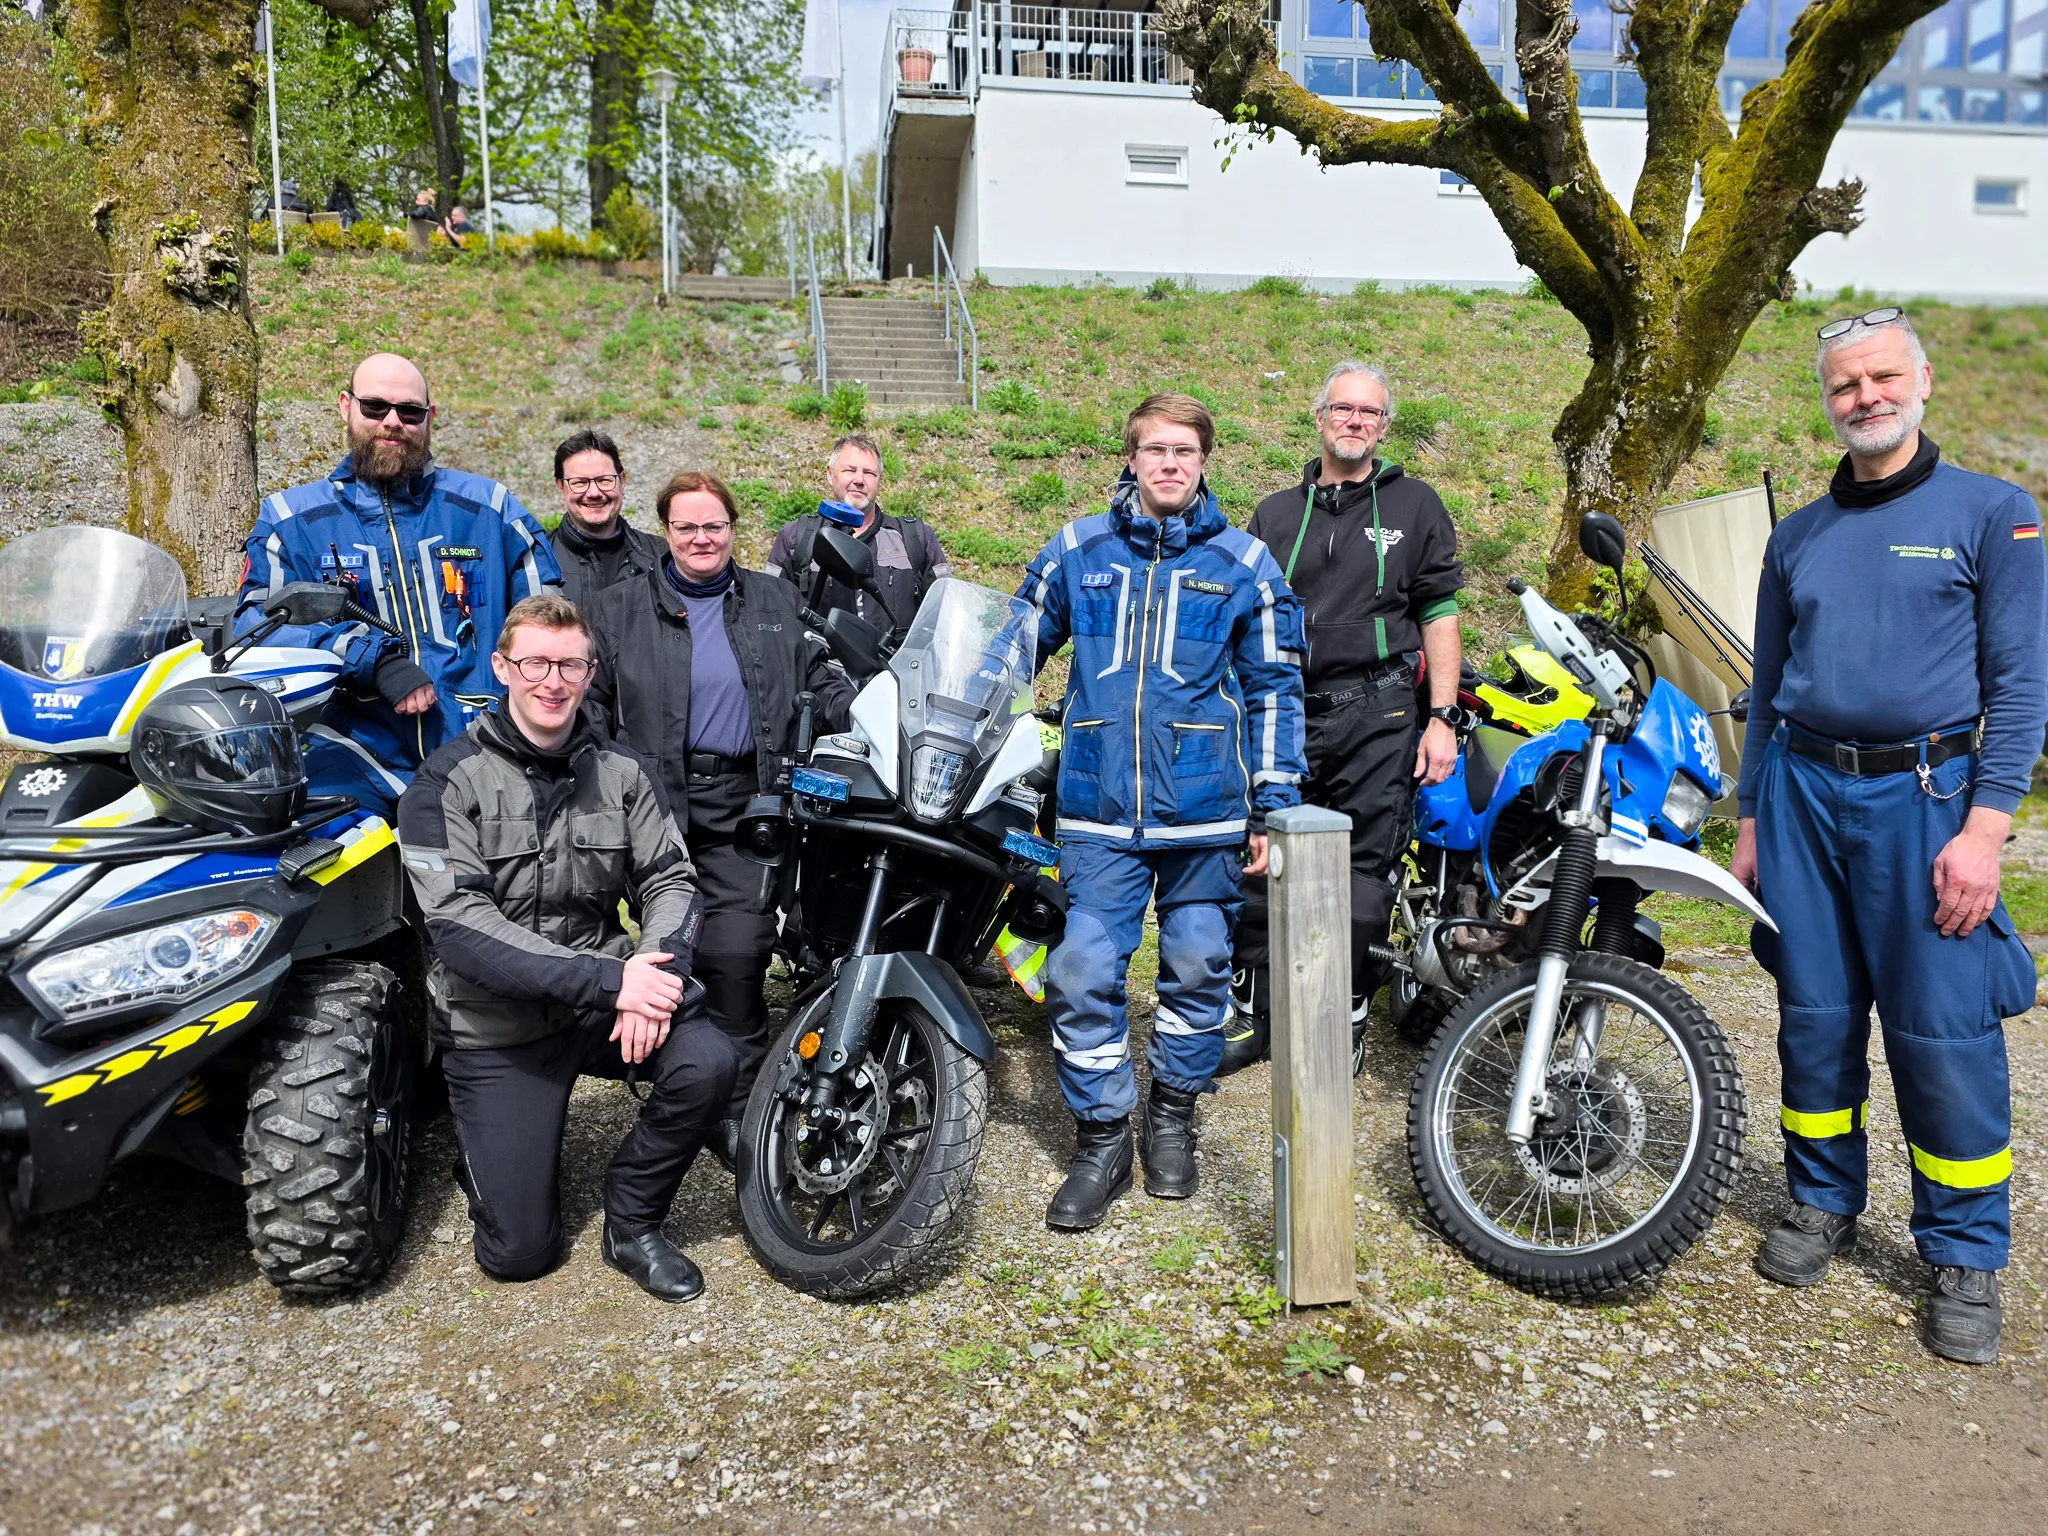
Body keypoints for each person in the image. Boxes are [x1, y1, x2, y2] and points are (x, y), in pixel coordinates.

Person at [1730, 307, 2045, 1365]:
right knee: (1810, 1016)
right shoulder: (1795, 535)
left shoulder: (1992, 515)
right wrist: (1746, 819)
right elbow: (1763, 689)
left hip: (1925, 804)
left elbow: (2020, 686)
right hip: (1800, 797)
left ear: (1921, 381)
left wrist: (1985, 828)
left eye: (1878, 379)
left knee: (1940, 1033)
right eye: (1841, 386)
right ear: (1825, 400)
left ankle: (1962, 1252)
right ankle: (1821, 1202)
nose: (1861, 398)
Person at [1017, 393, 1307, 1231]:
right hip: (1097, 814)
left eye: (1185, 450)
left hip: (1207, 816)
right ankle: (1103, 1135)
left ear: (1205, 461)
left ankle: (1172, 1112)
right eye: (1155, 450)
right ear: (1131, 459)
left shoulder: (1245, 562)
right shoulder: (1077, 550)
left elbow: (1276, 688)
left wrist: (1272, 802)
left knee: (1197, 964)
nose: (1170, 464)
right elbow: (1011, 650)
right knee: (1079, 971)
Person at [398, 595, 735, 1300]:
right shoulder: (443, 782)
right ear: (502, 667)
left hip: (601, 1008)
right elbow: (459, 929)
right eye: (536, 663)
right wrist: (614, 984)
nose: (553, 681)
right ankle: (484, 1153)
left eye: (570, 665)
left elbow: (672, 879)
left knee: (707, 1060)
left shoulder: (622, 772)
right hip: (497, 1027)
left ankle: (632, 1219)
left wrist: (656, 972)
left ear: (588, 672)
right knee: (518, 1255)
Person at [586, 471, 855, 1167]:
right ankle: (688, 1080)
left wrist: (860, 708)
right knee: (671, 948)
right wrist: (614, 778)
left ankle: (737, 1109)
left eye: (715, 526)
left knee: (737, 953)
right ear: (665, 533)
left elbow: (816, 679)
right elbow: (591, 706)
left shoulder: (772, 598)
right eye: (686, 527)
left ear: (734, 530)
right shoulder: (617, 610)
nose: (701, 538)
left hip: (747, 801)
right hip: (655, 804)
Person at [1218, 361, 1466, 1074]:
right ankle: (1252, 1007)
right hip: (1284, 708)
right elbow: (1242, 615)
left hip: (1381, 709)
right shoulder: (1273, 513)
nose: (1357, 422)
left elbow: (1441, 615)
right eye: (1345, 410)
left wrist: (1441, 717)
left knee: (1363, 873)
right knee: (1263, 855)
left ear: (1384, 427)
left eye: (1372, 414)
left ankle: (1347, 1011)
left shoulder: (1416, 506)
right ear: (1320, 417)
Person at [234, 351, 560, 819]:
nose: (392, 422)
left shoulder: (491, 508)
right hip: (351, 753)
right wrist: (374, 661)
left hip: (486, 748)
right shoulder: (291, 520)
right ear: (345, 406)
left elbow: (551, 622)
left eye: (409, 411)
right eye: (375, 407)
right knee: (325, 858)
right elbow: (254, 629)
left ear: (429, 418)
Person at [765, 432, 950, 640]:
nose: (859, 480)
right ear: (830, 474)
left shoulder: (916, 538)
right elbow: (768, 615)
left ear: (879, 480)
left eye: (869, 473)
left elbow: (946, 614)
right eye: (850, 470)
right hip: (823, 669)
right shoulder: (796, 538)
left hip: (895, 668)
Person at [548, 428, 664, 610]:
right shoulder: (538, 562)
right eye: (580, 482)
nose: (594, 493)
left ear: (622, 481)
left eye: (604, 480)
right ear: (560, 486)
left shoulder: (662, 556)